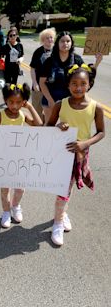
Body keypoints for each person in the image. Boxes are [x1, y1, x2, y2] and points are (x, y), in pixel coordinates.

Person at [46, 64, 105, 246]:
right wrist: (57, 127)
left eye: (82, 83)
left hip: (81, 154)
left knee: (68, 189)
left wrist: (84, 144)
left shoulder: (96, 107)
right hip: (62, 154)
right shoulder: (60, 105)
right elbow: (47, 128)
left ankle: (61, 215)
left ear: (89, 84)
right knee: (63, 190)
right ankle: (57, 223)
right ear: (68, 85)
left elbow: (101, 132)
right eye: (74, 83)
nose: (78, 87)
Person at [0, 83, 43, 228]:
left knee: (20, 187)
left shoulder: (22, 114)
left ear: (23, 102)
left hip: (20, 158)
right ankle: (6, 211)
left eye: (19, 102)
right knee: (5, 188)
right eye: (11, 102)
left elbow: (39, 125)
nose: (14, 106)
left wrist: (30, 107)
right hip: (4, 159)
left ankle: (16, 206)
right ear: (5, 100)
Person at [39, 31, 103, 124]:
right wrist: (50, 101)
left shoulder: (77, 59)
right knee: (49, 127)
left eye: (68, 41)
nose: (65, 43)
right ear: (57, 44)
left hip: (70, 100)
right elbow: (42, 82)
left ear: (72, 43)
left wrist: (97, 62)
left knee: (68, 128)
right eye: (62, 41)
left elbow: (87, 74)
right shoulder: (49, 60)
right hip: (51, 98)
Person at [29, 28, 56, 121]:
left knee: (51, 111)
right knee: (37, 110)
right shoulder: (38, 52)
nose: (50, 40)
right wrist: (34, 82)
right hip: (39, 87)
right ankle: (38, 129)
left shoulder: (57, 52)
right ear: (43, 40)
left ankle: (48, 129)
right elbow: (32, 68)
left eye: (51, 37)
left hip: (52, 87)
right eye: (47, 38)